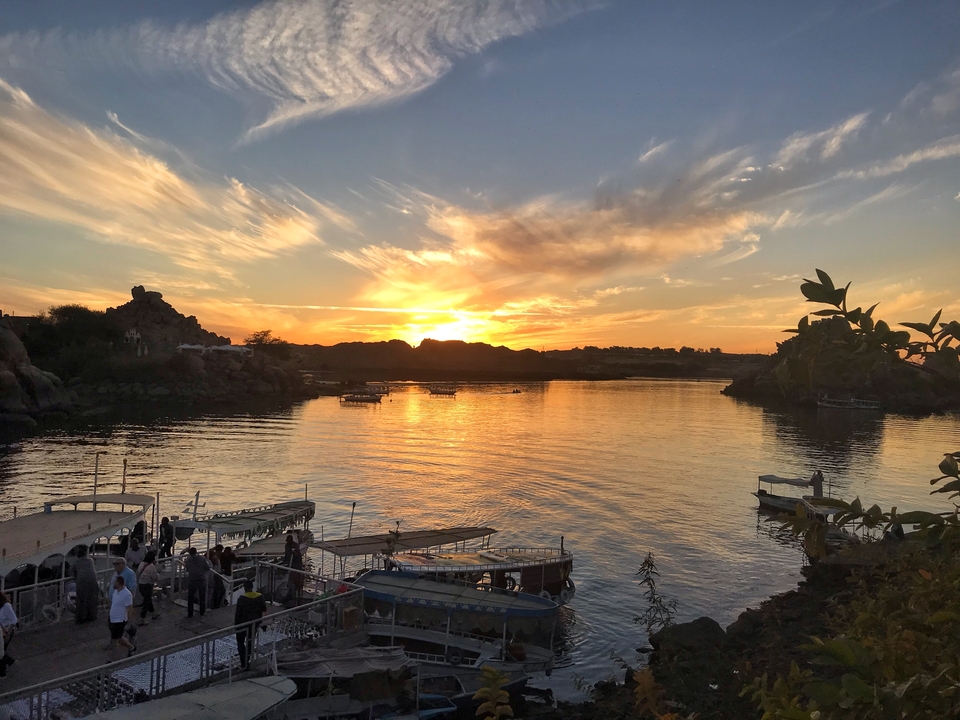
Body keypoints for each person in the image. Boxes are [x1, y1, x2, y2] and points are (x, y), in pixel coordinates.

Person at [234, 580, 267, 670]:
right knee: (250, 641)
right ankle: (247, 659)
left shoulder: (241, 599)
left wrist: (236, 627)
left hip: (242, 624)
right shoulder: (260, 597)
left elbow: (238, 614)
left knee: (240, 642)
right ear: (252, 587)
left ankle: (243, 662)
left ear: (244, 588)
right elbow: (264, 609)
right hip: (254, 623)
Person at [107, 576, 136, 657]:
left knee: (115, 640)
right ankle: (131, 647)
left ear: (119, 583)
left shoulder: (127, 594)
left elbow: (130, 608)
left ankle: (113, 658)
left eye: (115, 582)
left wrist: (128, 622)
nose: (113, 583)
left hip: (119, 620)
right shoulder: (116, 591)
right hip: (113, 618)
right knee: (118, 638)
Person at [73, 545, 99, 624]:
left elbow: (74, 573)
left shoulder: (76, 563)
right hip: (93, 581)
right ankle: (92, 615)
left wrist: (76, 579)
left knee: (81, 600)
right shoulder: (90, 560)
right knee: (92, 599)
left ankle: (81, 617)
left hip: (82, 582)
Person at [184, 547, 210, 618]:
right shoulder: (202, 559)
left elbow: (187, 569)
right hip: (201, 579)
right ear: (196, 552)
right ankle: (202, 612)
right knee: (202, 596)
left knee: (191, 597)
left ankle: (190, 613)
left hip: (192, 579)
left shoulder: (188, 560)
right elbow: (207, 567)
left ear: (190, 553)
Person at [137, 551, 160, 625]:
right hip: (147, 585)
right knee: (146, 602)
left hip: (141, 585)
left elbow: (138, 572)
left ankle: (153, 613)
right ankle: (141, 619)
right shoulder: (151, 567)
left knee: (148, 599)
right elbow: (154, 577)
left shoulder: (141, 564)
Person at [0, 591, 17, 676]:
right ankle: (10, 661)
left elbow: (14, 620)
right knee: (2, 651)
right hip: (1, 629)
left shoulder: (6, 606)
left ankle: (2, 672)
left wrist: (8, 633)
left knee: (2, 651)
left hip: (7, 630)